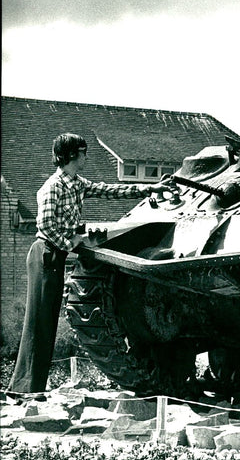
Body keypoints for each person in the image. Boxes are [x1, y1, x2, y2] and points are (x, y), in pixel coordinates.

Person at [7, 133, 172, 396]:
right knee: (40, 322)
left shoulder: (76, 182)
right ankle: (24, 389)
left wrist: (149, 188)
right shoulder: (53, 186)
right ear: (72, 155)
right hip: (45, 254)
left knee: (46, 321)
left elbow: (109, 190)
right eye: (83, 152)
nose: (86, 157)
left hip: (55, 254)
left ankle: (30, 387)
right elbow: (45, 226)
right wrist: (72, 243)